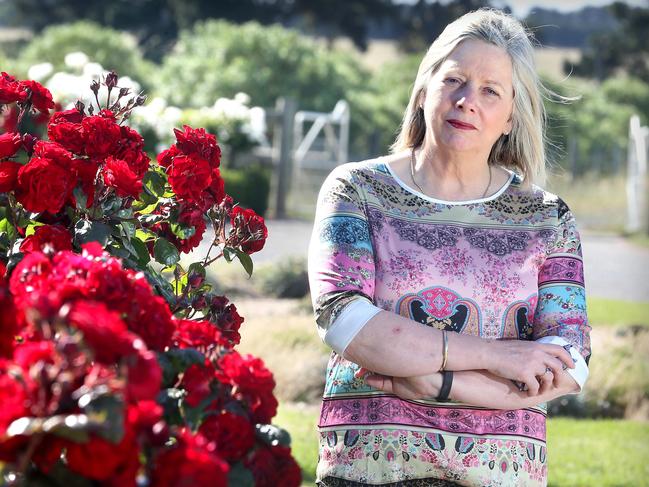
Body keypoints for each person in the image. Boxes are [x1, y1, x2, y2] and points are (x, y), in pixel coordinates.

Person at [307, 8, 592, 487]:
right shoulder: (356, 189)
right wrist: (499, 356)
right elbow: (345, 321)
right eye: (454, 81)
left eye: (490, 91)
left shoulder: (547, 216)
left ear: (511, 117)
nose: (467, 101)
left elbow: (569, 363)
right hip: (371, 472)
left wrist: (439, 381)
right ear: (423, 92)